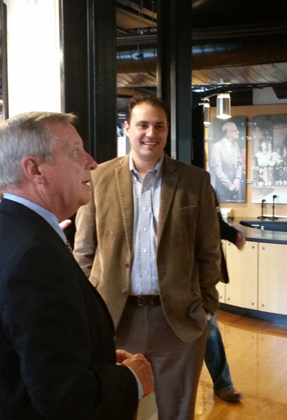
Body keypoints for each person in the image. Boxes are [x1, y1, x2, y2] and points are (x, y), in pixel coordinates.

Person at [0, 112, 153, 420]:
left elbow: (36, 356)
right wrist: (131, 379)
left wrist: (97, 358)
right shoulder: (33, 254)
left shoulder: (10, 228)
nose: (92, 162)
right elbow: (63, 396)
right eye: (76, 152)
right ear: (35, 168)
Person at [74, 94, 222, 420]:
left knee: (177, 412)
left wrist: (207, 306)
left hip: (179, 323)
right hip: (115, 319)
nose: (150, 133)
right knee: (118, 410)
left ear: (167, 131)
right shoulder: (98, 178)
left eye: (159, 126)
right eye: (142, 125)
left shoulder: (195, 181)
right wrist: (88, 310)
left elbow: (209, 251)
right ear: (127, 128)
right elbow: (84, 251)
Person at [205, 194, 246, 403]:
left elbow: (214, 223)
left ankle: (223, 384)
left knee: (209, 328)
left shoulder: (206, 188)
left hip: (199, 275)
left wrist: (232, 234)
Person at [209, 121, 243, 202]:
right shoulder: (217, 147)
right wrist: (229, 185)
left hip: (236, 188)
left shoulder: (236, 145)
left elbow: (239, 164)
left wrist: (237, 179)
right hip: (223, 190)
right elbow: (217, 169)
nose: (238, 132)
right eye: (235, 130)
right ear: (229, 133)